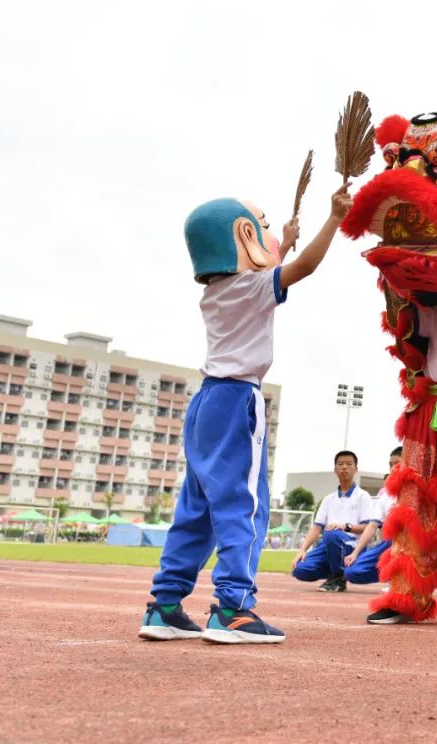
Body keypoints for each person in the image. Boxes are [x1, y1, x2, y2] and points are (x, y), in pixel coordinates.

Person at [140, 184, 353, 645]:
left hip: (205, 403)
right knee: (245, 506)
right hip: (238, 399)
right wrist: (334, 218)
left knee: (195, 509)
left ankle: (166, 606)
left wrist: (286, 240)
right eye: (264, 227)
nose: (270, 234)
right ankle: (234, 608)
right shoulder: (257, 286)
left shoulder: (217, 291)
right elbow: (303, 269)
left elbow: (268, 265)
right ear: (244, 235)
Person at [291, 451, 377, 591]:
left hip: (351, 544)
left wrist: (345, 527)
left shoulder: (363, 496)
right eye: (340, 464)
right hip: (328, 544)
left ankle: (338, 578)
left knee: (332, 533)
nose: (344, 467)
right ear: (335, 469)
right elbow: (316, 528)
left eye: (349, 464)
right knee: (299, 569)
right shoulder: (328, 499)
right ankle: (334, 571)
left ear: (356, 469)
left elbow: (368, 527)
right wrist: (302, 550)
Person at [343, 447, 403, 585]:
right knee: (352, 571)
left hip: (418, 545)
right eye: (390, 464)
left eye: (397, 463)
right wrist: (355, 552)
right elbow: (372, 526)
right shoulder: (387, 496)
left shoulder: (421, 491)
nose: (393, 468)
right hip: (391, 544)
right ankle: (393, 575)